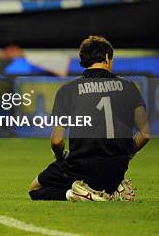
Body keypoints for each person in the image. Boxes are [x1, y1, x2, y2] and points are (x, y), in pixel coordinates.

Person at [29, 36, 150, 202]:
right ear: (107, 57)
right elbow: (145, 133)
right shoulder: (129, 87)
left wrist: (61, 159)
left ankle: (76, 194)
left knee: (36, 188)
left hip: (80, 167)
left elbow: (56, 141)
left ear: (84, 60)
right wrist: (127, 154)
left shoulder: (68, 90)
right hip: (117, 168)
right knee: (106, 172)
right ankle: (115, 190)